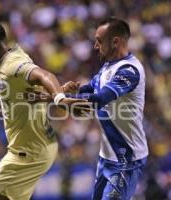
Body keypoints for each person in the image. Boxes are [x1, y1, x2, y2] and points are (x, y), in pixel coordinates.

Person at [0, 19, 85, 200]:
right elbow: (31, 94)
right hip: (37, 147)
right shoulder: (14, 55)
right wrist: (55, 94)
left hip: (28, 152)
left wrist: (59, 98)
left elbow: (44, 75)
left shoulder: (11, 66)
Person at [62, 17, 149, 199]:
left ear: (115, 41)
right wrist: (71, 89)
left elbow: (100, 98)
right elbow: (90, 88)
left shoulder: (129, 70)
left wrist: (55, 98)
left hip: (126, 159)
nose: (95, 46)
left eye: (99, 41)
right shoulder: (108, 66)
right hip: (107, 157)